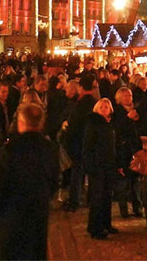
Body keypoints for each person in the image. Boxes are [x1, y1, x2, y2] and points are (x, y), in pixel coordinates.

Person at [0, 103, 59, 260]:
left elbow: (0, 182)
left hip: (12, 211)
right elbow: (54, 180)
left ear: (21, 123)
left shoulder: (11, 148)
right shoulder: (49, 148)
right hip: (38, 209)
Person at [82, 98, 118, 239]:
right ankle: (95, 228)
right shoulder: (93, 124)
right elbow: (88, 146)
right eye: (101, 107)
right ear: (97, 109)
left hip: (108, 164)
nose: (104, 109)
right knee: (97, 197)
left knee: (107, 196)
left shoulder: (109, 124)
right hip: (97, 166)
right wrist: (90, 166)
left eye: (106, 107)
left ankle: (106, 224)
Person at [64, 74, 98, 211]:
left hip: (79, 143)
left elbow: (73, 124)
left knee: (77, 173)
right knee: (91, 173)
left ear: (81, 87)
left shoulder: (81, 104)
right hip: (92, 143)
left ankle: (74, 202)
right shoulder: (96, 102)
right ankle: (90, 200)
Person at [112, 87, 143, 218]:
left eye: (129, 95)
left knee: (136, 180)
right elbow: (117, 130)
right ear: (119, 99)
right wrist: (128, 118)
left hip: (135, 148)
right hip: (123, 150)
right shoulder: (117, 112)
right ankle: (124, 209)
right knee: (123, 181)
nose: (128, 98)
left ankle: (137, 207)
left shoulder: (136, 111)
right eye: (125, 96)